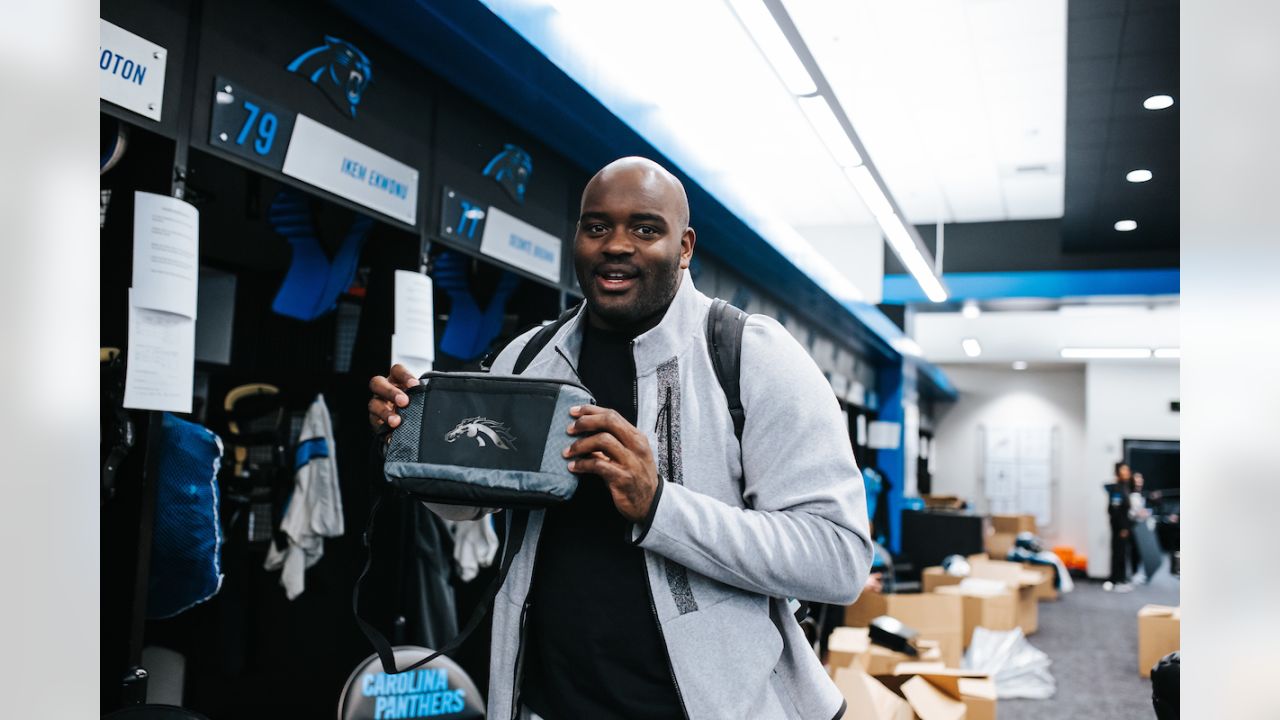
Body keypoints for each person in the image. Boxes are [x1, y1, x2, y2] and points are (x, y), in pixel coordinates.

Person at [369, 157, 872, 719]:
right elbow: (474, 503)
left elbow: (838, 558)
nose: (616, 245)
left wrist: (659, 506)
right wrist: (411, 442)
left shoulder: (750, 356)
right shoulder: (528, 359)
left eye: (646, 229)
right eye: (596, 226)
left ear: (684, 248)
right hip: (547, 702)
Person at [1104, 462, 1134, 592]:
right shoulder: (1116, 489)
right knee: (1118, 553)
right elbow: (1114, 511)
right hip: (1119, 528)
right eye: (1123, 470)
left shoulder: (1125, 487)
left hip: (1124, 527)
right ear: (1118, 472)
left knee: (1122, 553)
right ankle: (1116, 581)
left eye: (1127, 470)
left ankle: (1120, 579)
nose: (1127, 472)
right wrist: (1122, 528)